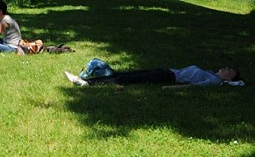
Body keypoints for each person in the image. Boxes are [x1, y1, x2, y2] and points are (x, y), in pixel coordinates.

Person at [65, 65, 243, 88]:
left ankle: (86, 83)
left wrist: (169, 88)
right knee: (128, 74)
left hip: (170, 78)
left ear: (228, 78)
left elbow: (191, 86)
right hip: (168, 72)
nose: (226, 68)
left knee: (130, 79)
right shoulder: (212, 73)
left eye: (230, 71)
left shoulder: (214, 80)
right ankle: (89, 80)